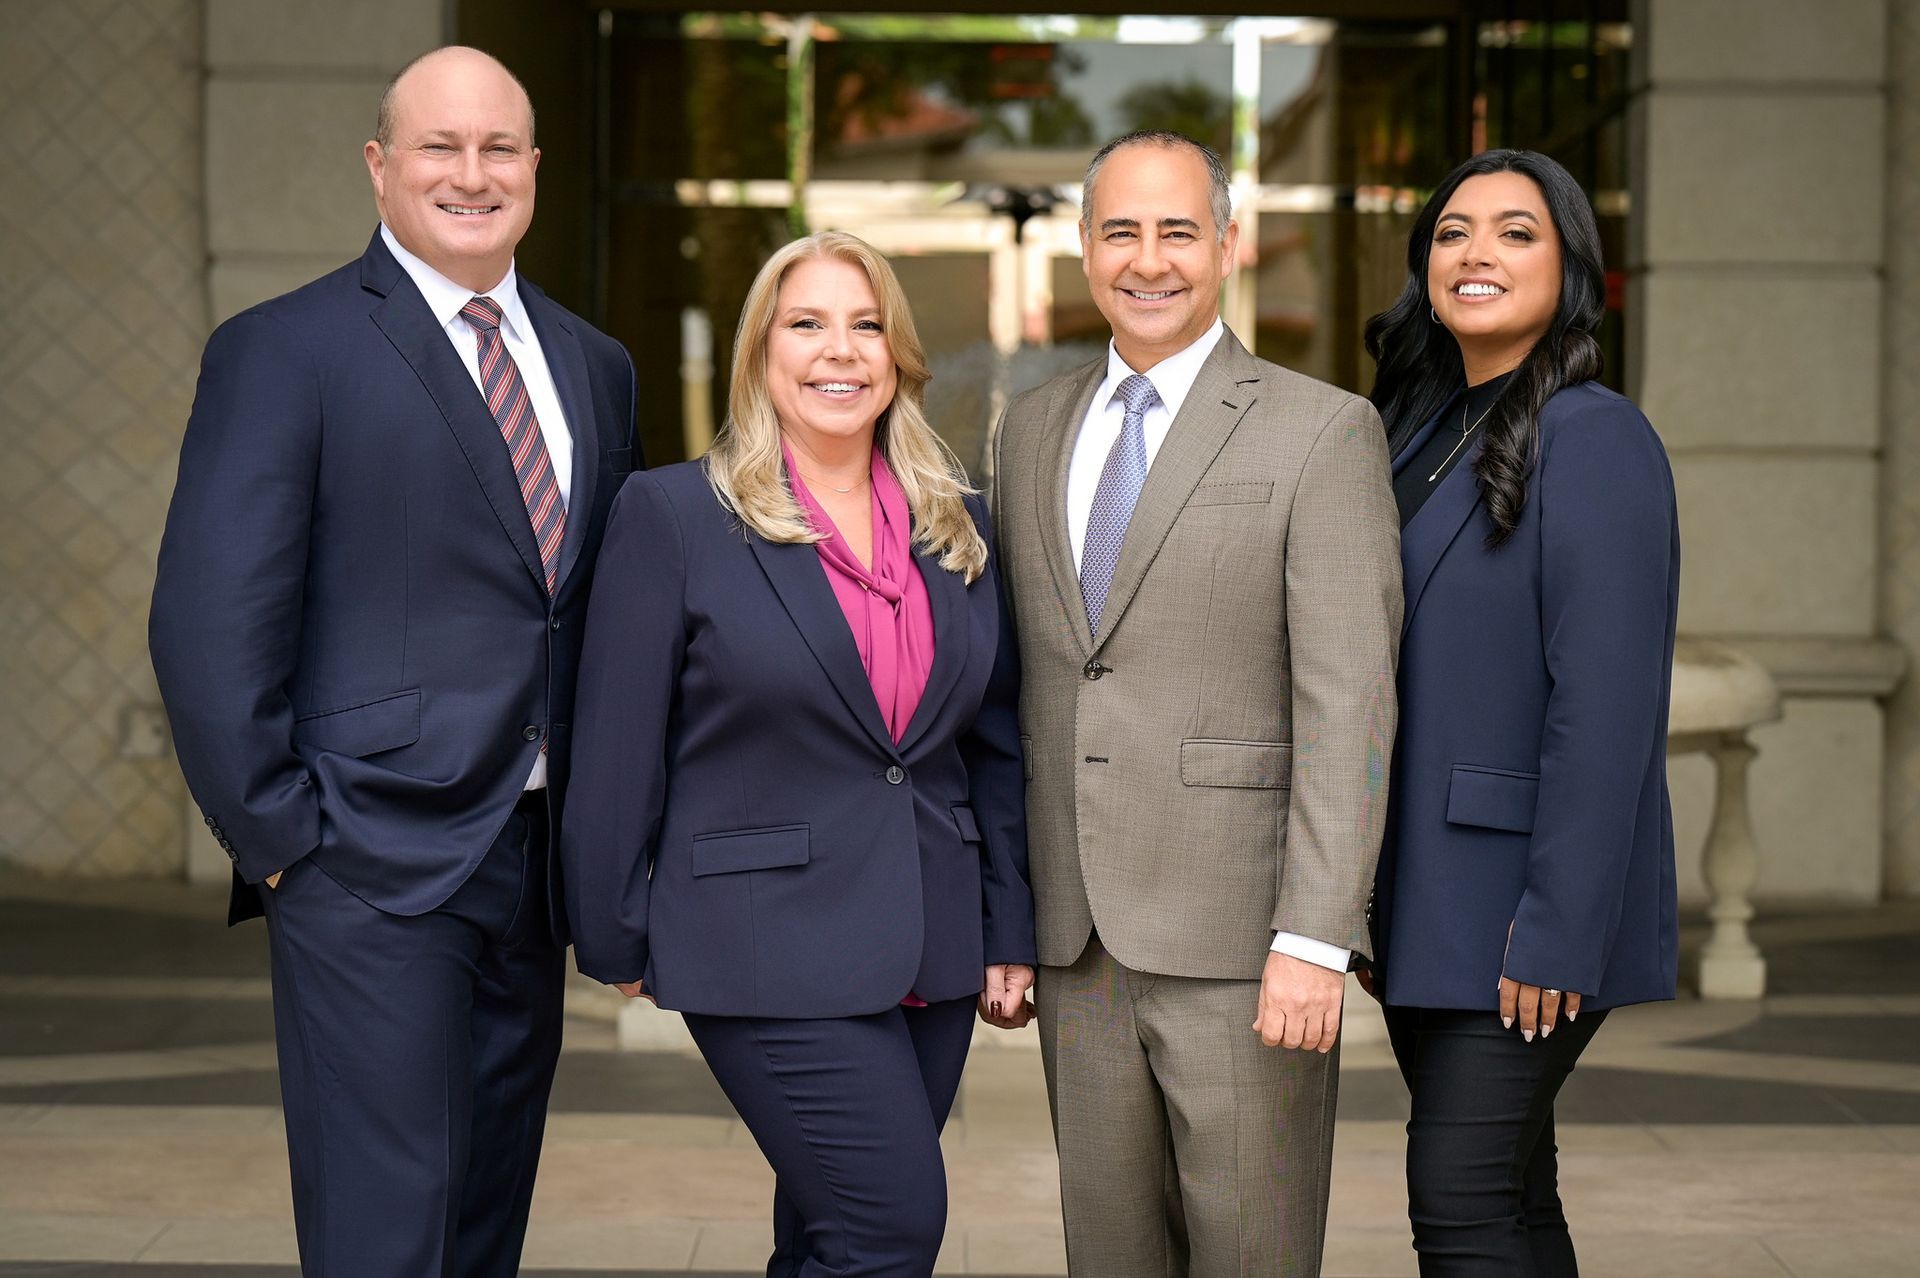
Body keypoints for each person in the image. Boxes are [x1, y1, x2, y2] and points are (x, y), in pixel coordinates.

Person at [148, 47, 638, 1278]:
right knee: (385, 1227)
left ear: (534, 168)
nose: (470, 176)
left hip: (531, 871)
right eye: (439, 147)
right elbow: (209, 623)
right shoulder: (286, 349)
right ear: (380, 166)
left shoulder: (595, 364)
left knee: (483, 1219)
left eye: (498, 149)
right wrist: (282, 845)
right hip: (358, 862)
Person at [561, 230, 1035, 1277]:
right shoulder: (675, 514)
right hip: (761, 939)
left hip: (933, 939)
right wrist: (616, 930)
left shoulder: (961, 529)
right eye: (808, 324)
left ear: (900, 356)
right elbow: (616, 743)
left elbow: (992, 749)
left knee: (828, 1236)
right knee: (889, 1228)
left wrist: (1008, 922)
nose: (842, 351)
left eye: (868, 326)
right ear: (760, 355)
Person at [990, 130, 1402, 1275]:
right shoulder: (1030, 429)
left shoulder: (1321, 429)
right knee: (1109, 1257)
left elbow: (1349, 705)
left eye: (1178, 231)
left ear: (1228, 244)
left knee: (1252, 1256)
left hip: (1243, 945)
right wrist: (1004, 913)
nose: (1149, 258)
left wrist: (1317, 935)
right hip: (1075, 942)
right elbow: (1025, 686)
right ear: (1084, 249)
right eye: (1121, 231)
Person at [1360, 148, 1680, 1276]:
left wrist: (1556, 926)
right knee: (1510, 1197)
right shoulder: (1414, 429)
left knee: (1459, 1203)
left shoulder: (1595, 437)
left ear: (1570, 267)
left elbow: (1607, 709)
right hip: (1423, 904)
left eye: (1515, 231)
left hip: (1517, 916)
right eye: (1452, 232)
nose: (1475, 253)